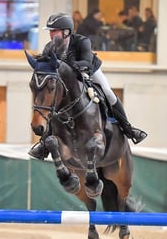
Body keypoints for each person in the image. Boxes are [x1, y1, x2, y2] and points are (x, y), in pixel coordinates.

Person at [28, 12, 147, 160]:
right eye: (51, 31)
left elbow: (86, 63)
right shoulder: (49, 48)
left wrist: (67, 67)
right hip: (66, 81)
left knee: (108, 92)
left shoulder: (81, 42)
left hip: (89, 71)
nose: (51, 34)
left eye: (54, 30)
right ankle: (44, 143)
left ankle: (128, 128)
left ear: (66, 32)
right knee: (53, 103)